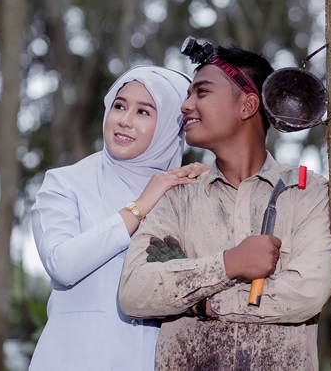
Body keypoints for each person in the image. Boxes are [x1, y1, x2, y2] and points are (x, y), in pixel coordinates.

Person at [118, 44, 331, 369]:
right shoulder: (178, 196)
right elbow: (134, 292)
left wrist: (202, 304)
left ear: (248, 104)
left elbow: (306, 293)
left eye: (201, 92)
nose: (186, 105)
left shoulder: (306, 190)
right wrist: (229, 264)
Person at [29, 66, 204, 370]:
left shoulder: (186, 192)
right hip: (75, 360)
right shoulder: (66, 182)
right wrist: (139, 206)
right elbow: (63, 264)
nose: (124, 120)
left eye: (143, 112)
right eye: (120, 106)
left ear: (169, 127)